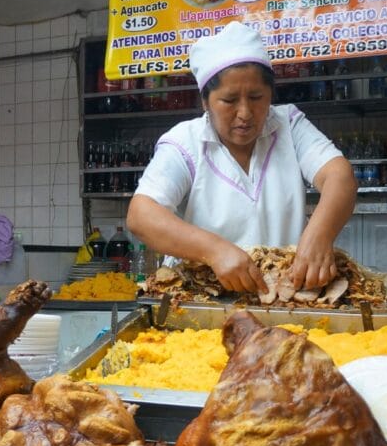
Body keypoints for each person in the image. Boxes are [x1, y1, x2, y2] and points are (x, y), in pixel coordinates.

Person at [126, 22, 357, 294]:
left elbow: (339, 177)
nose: (245, 112)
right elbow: (141, 215)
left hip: (285, 296)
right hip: (198, 301)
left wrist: (319, 237)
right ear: (205, 101)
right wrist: (213, 250)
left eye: (257, 97)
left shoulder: (289, 125)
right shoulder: (184, 142)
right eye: (229, 100)